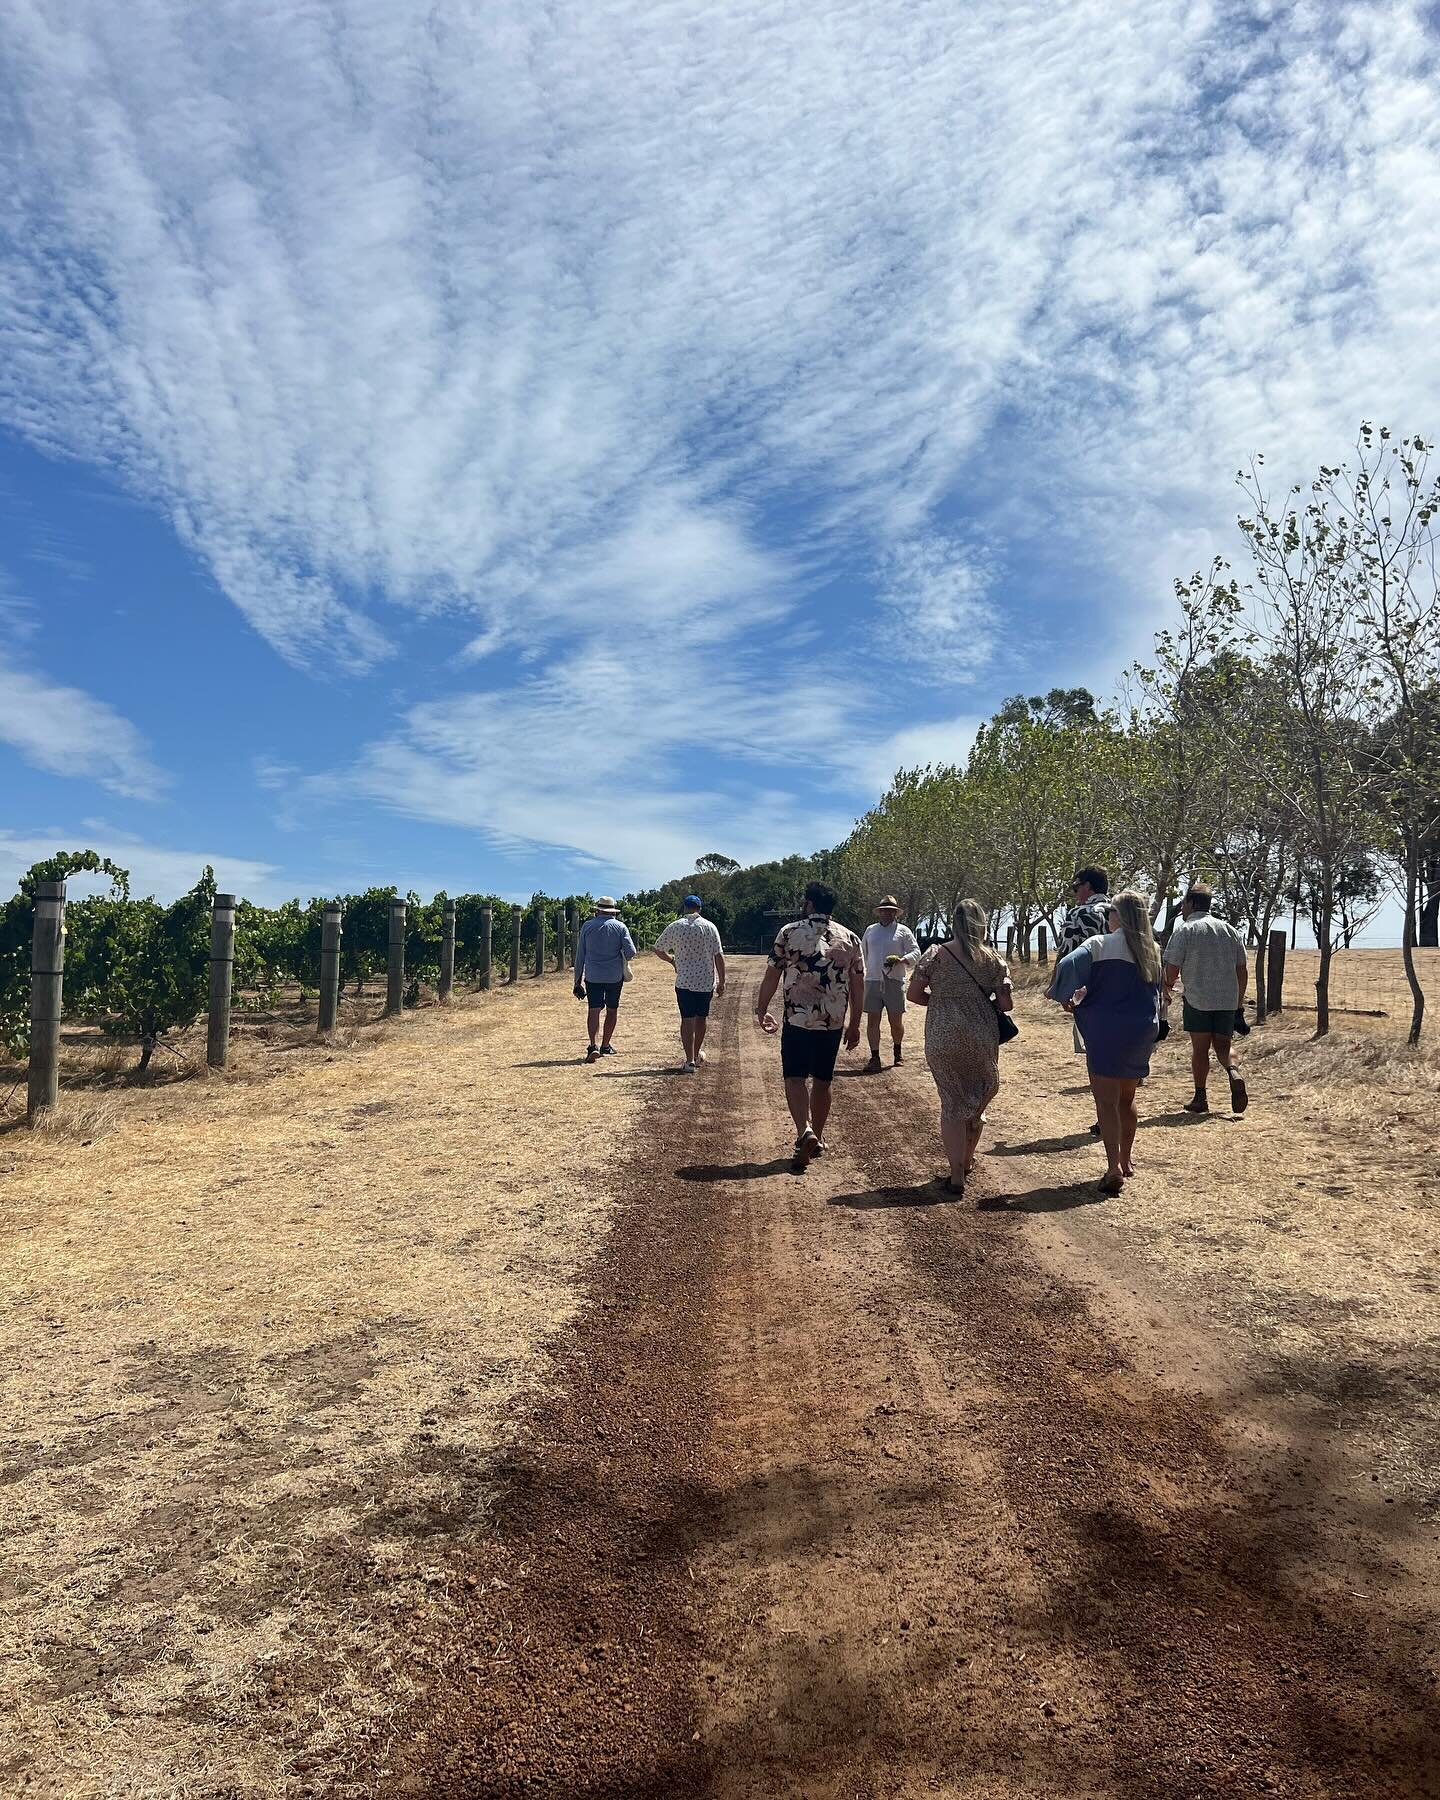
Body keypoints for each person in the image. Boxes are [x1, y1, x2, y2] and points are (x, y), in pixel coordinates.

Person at [1049, 889, 1164, 1196]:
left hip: (1105, 1030)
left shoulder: (1099, 944)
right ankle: (1126, 1161)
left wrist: (1063, 996)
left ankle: (1113, 1168)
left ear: (1117, 915)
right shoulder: (1151, 948)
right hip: (1140, 1031)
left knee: (1106, 1102)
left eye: (1110, 912)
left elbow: (1067, 966)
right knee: (1127, 1099)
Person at [906, 898, 1013, 1197]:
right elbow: (1006, 1004)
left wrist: (941, 1003)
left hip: (942, 1037)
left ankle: (956, 1175)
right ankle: (967, 1161)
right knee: (977, 1098)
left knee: (951, 1102)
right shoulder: (993, 959)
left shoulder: (934, 954)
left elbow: (914, 994)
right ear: (982, 924)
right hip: (981, 1038)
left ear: (954, 923)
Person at [753, 880, 864, 1165]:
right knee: (823, 1080)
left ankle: (804, 1131)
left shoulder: (788, 933)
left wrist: (761, 1008)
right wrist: (855, 1024)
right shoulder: (851, 938)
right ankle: (818, 1135)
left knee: (794, 1077)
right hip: (832, 1021)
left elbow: (772, 975)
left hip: (798, 1019)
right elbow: (858, 984)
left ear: (809, 904)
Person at [1163, 882, 1250, 1115]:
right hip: (1227, 1000)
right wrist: (1238, 1003)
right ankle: (1233, 1071)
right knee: (1224, 1045)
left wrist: (1167, 987)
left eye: (1183, 903)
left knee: (1200, 1049)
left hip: (1198, 999)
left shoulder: (1185, 930)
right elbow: (1242, 969)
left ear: (1191, 903)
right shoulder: (1229, 930)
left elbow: (1172, 966)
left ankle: (1200, 1097)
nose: (1182, 908)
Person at [1052, 865, 1113, 1138]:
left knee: (1097, 1058)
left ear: (1087, 886)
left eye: (1076, 888)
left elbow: (1066, 957)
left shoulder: (1079, 915)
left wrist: (1060, 992)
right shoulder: (1124, 913)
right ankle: (1120, 1113)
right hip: (1126, 992)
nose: (1075, 893)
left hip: (1091, 995)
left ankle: (1105, 1118)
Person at [652, 895, 726, 1072]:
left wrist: (672, 961)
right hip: (705, 981)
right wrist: (722, 981)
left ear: (684, 907)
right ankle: (696, 1053)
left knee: (687, 1019)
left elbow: (657, 948)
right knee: (701, 1018)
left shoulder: (675, 926)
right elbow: (718, 955)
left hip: (684, 981)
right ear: (699, 908)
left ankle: (689, 1060)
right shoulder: (710, 927)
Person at [860, 896, 921, 1072]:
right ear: (879, 912)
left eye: (890, 910)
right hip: (872, 980)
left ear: (895, 912)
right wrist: (864, 972)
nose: (887, 913)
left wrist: (903, 960)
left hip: (894, 981)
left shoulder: (903, 931)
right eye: (884, 910)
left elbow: (915, 951)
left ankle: (897, 1051)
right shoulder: (870, 930)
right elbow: (864, 953)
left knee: (895, 1020)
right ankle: (875, 1057)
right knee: (873, 1020)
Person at [573, 898, 636, 1063]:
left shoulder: (587, 926)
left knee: (594, 1010)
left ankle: (593, 1046)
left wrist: (577, 981)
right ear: (613, 911)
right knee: (612, 1009)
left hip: (593, 976)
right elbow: (631, 952)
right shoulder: (621, 927)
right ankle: (606, 1045)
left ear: (597, 910)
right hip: (614, 976)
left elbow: (580, 956)